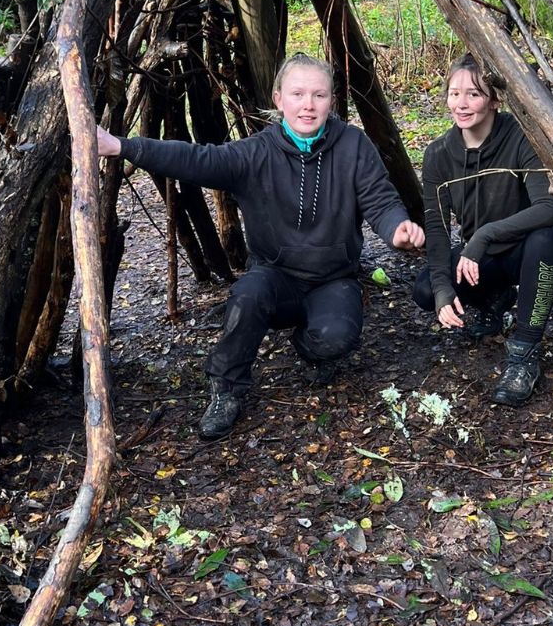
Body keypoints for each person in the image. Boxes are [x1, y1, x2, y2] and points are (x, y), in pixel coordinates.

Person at [97, 52, 424, 440]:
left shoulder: (353, 145)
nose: (308, 104)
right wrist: (122, 146)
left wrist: (396, 229)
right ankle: (227, 389)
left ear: (331, 101)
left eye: (319, 95)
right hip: (275, 276)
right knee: (247, 295)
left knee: (335, 338)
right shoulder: (256, 153)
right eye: (298, 94)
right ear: (278, 99)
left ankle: (309, 345)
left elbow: (380, 200)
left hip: (333, 278)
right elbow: (195, 159)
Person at [414, 54, 553, 406]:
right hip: (485, 259)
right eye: (454, 94)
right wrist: (443, 290)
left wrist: (484, 235)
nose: (461, 103)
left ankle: (523, 355)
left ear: (494, 99)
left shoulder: (520, 138)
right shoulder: (438, 154)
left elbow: (548, 210)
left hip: (535, 254)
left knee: (543, 242)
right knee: (426, 289)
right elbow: (437, 230)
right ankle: (494, 300)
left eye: (473, 94)